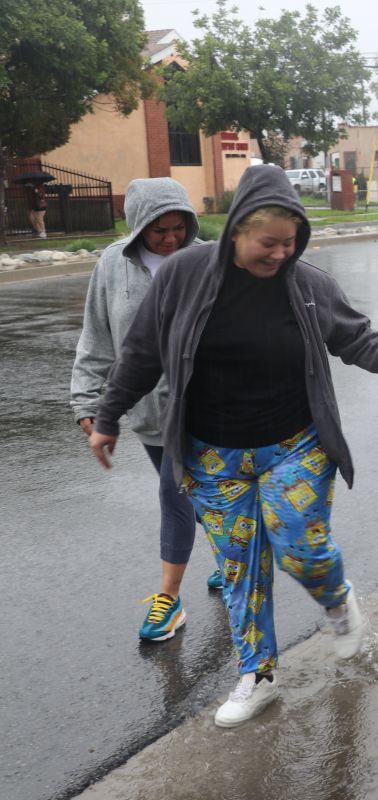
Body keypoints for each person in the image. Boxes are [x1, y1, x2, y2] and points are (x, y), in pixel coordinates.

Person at [86, 164, 378, 728]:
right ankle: (259, 674)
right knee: (239, 565)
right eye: (267, 243)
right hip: (211, 455)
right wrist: (106, 415)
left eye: (290, 243)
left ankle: (337, 599)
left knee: (298, 544)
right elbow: (142, 350)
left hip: (294, 445)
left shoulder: (308, 283)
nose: (279, 254)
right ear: (236, 233)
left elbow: (356, 338)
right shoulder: (184, 276)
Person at [71, 178, 225, 642]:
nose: (171, 238)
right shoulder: (113, 266)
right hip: (146, 410)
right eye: (159, 230)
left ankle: (169, 600)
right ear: (137, 226)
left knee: (173, 494)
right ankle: (233, 554)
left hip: (204, 406)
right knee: (193, 492)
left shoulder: (208, 260)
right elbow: (97, 337)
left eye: (179, 227)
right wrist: (87, 402)